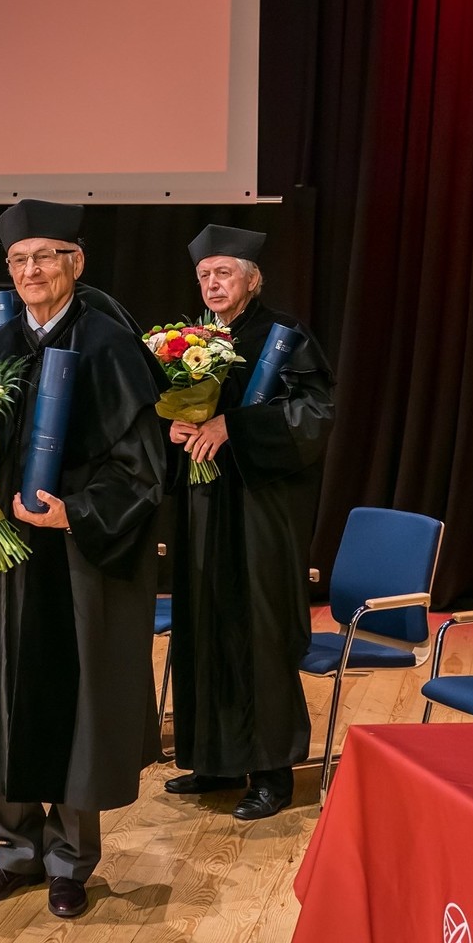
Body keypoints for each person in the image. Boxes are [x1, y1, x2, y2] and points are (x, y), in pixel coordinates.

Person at [0, 199, 166, 920]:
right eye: (20, 260)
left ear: (75, 262)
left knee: (77, 703)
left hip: (75, 562)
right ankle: (12, 849)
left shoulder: (112, 347)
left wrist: (77, 512)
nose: (32, 271)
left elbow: (145, 468)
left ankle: (69, 860)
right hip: (0, 558)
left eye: (46, 257)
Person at [162, 225, 334, 820]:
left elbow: (314, 415)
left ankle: (271, 773)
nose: (213, 284)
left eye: (224, 273)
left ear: (252, 279)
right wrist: (174, 427)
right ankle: (212, 760)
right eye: (204, 275)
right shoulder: (187, 343)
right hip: (203, 507)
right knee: (203, 625)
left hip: (259, 511)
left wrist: (233, 427)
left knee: (259, 633)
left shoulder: (283, 336)